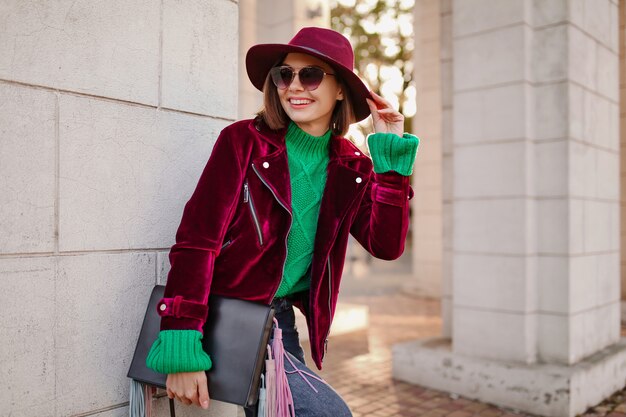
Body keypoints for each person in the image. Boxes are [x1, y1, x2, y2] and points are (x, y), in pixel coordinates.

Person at [145, 26, 420, 416]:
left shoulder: (351, 167)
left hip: (279, 328)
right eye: (283, 74)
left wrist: (390, 162)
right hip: (219, 319)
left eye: (310, 75)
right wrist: (181, 343)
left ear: (340, 89)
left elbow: (386, 246)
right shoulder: (242, 142)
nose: (294, 86)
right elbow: (197, 242)